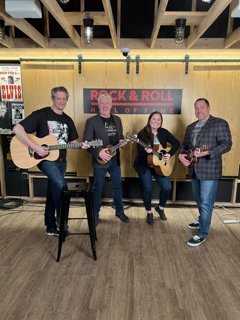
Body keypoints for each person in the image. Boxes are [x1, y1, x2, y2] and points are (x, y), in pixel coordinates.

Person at [12, 86, 89, 236]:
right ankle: (62, 219)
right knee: (60, 184)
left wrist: (82, 145)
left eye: (64, 98)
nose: (62, 101)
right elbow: (17, 129)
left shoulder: (68, 120)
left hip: (61, 160)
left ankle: (50, 227)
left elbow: (72, 141)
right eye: (58, 98)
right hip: (45, 159)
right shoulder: (41, 114)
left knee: (52, 190)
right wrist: (36, 147)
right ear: (52, 99)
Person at [179, 98, 232, 247]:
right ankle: (202, 219)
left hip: (209, 171)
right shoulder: (190, 127)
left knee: (206, 204)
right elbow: (184, 144)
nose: (198, 111)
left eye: (201, 107)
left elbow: (226, 144)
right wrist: (180, 155)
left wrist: (207, 153)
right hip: (194, 170)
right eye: (196, 108)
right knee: (198, 199)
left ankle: (202, 234)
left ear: (209, 108)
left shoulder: (219, 123)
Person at [83, 93, 128, 226]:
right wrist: (98, 154)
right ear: (98, 105)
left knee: (117, 186)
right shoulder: (91, 121)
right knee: (97, 188)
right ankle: (95, 213)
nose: (104, 106)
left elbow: (119, 136)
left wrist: (121, 141)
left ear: (111, 105)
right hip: (100, 162)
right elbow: (87, 143)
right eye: (102, 103)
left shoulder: (117, 119)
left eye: (107, 103)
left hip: (115, 161)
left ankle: (119, 211)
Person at [133, 111, 180, 225]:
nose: (156, 122)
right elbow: (139, 151)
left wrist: (169, 154)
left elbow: (176, 143)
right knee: (148, 189)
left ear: (161, 122)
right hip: (144, 165)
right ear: (149, 120)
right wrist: (146, 151)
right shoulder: (142, 133)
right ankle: (149, 212)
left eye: (158, 119)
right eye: (154, 119)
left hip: (159, 165)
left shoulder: (163, 132)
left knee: (167, 187)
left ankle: (160, 208)